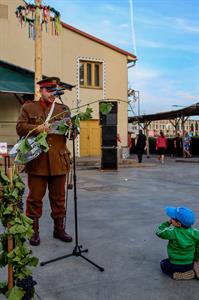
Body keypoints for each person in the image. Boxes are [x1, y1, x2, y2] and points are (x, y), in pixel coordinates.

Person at [16, 77, 73, 246]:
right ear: (41, 90)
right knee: (34, 198)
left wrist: (73, 130)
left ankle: (59, 229)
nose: (52, 94)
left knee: (59, 198)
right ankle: (33, 231)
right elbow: (19, 127)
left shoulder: (64, 109)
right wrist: (37, 129)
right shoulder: (29, 107)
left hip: (58, 160)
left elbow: (69, 134)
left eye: (54, 91)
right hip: (37, 160)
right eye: (49, 90)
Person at [156, 206, 199, 280]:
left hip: (175, 265)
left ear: (178, 224)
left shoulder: (172, 232)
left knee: (163, 263)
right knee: (190, 263)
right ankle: (194, 271)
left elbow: (159, 231)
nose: (170, 219)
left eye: (172, 218)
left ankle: (176, 275)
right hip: (189, 264)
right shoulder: (196, 233)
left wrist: (167, 223)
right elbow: (198, 248)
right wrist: (196, 259)